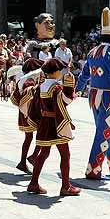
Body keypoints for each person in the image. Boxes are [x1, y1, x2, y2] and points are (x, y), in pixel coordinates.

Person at [75, 8, 110, 181]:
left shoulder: (92, 52)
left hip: (94, 97)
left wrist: (78, 89)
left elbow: (84, 74)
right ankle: (93, 169)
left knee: (103, 130)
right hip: (108, 99)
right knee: (103, 133)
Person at [26, 58, 79, 196]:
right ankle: (66, 186)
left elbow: (36, 105)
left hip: (44, 123)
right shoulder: (56, 87)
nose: (62, 72)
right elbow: (66, 100)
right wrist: (69, 85)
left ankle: (33, 183)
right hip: (56, 124)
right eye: (60, 70)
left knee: (43, 153)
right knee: (65, 155)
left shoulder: (42, 85)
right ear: (55, 72)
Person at [11, 58, 43, 173]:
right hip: (30, 112)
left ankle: (23, 162)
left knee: (28, 137)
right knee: (43, 134)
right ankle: (33, 156)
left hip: (24, 112)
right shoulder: (29, 80)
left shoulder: (22, 79)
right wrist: (38, 88)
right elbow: (28, 92)